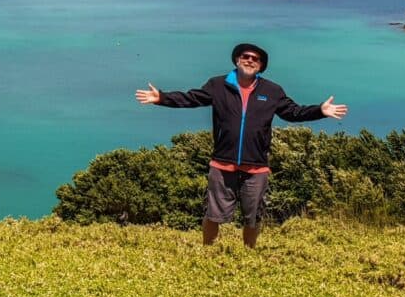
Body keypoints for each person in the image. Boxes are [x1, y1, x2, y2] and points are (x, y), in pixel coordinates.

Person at [135, 42, 347, 248]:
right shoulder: (218, 85)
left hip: (256, 165)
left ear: (261, 66)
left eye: (255, 59)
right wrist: (162, 97)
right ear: (237, 60)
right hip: (222, 162)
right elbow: (192, 98)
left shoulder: (272, 90)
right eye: (245, 56)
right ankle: (208, 251)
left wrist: (320, 110)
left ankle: (248, 253)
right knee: (213, 214)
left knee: (253, 218)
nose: (250, 60)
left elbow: (293, 112)